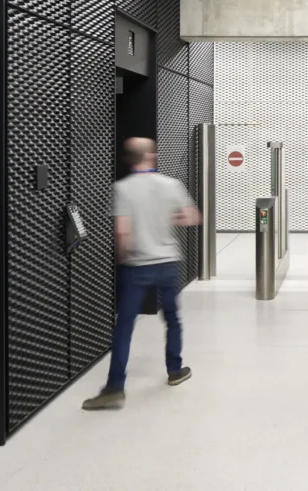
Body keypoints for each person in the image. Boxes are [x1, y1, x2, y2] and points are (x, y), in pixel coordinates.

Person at [83, 137, 202, 410]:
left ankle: (114, 388)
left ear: (129, 158)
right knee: (172, 319)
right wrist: (167, 218)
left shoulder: (122, 189)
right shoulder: (171, 185)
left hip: (137, 266)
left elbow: (122, 233)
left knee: (124, 326)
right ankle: (175, 370)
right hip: (169, 262)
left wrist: (123, 259)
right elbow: (193, 217)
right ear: (152, 156)